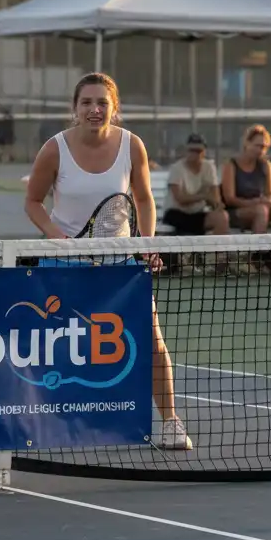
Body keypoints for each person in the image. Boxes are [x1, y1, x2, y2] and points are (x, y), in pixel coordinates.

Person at [23, 72, 191, 451]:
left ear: (114, 109)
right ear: (75, 108)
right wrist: (59, 239)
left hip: (121, 266)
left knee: (150, 340)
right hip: (64, 263)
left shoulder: (133, 146)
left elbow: (144, 199)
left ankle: (170, 423)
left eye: (102, 103)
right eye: (87, 102)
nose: (94, 109)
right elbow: (33, 201)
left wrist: (147, 244)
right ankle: (34, 420)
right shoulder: (54, 149)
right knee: (51, 346)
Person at [162, 133, 228, 236]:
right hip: (176, 213)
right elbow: (180, 199)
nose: (194, 154)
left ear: (204, 152)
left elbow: (215, 198)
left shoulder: (209, 167)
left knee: (222, 217)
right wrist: (204, 196)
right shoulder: (177, 168)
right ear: (186, 151)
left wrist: (215, 203)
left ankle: (216, 250)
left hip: (197, 213)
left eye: (198, 151)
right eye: (191, 150)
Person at [221, 124, 271, 233]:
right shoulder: (231, 165)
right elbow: (230, 198)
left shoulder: (266, 165)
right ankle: (259, 248)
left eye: (263, 147)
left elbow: (270, 194)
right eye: (257, 146)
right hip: (237, 211)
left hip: (261, 206)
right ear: (246, 143)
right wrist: (253, 203)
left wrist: (267, 201)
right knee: (261, 211)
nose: (260, 150)